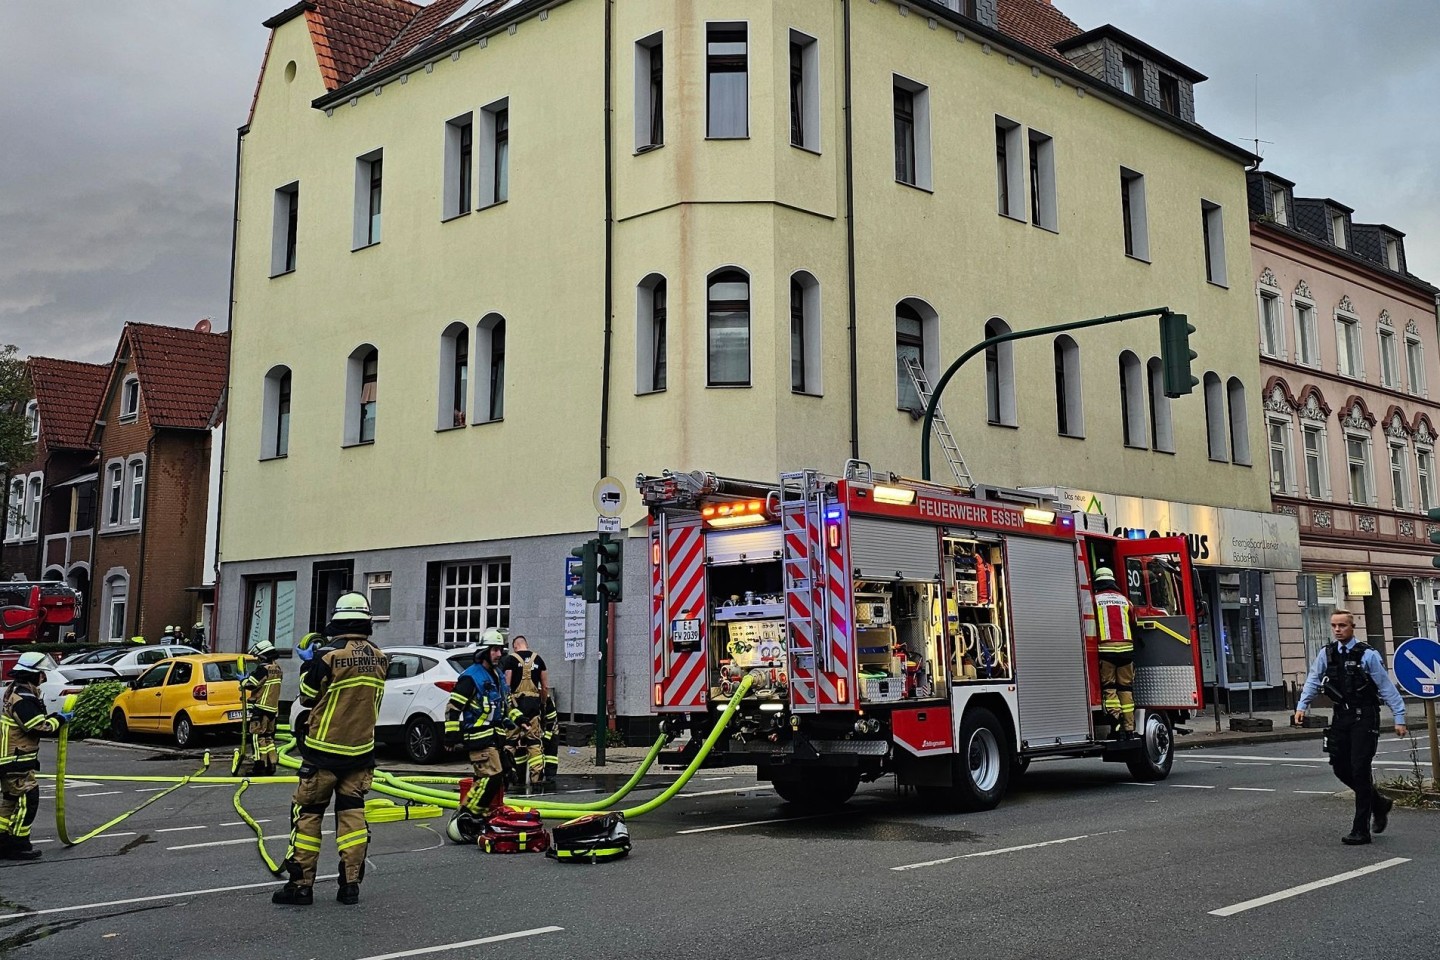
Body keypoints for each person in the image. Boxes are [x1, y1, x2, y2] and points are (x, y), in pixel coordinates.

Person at [273, 593, 387, 906]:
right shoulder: (381, 657)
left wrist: (309, 662)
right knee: (352, 817)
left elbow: (307, 697)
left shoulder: (327, 656)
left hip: (323, 751)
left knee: (308, 816)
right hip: (361, 752)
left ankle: (301, 886)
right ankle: (350, 885)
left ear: (336, 622)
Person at [1295, 610, 1407, 845]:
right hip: (1341, 716)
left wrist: (1399, 717)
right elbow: (1314, 680)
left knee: (1359, 769)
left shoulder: (1367, 655)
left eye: (1342, 625)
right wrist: (1302, 706)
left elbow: (1385, 686)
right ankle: (1379, 803)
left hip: (1365, 716)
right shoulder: (1327, 653)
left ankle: (1361, 830)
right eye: (1334, 625)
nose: (1337, 630)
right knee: (1339, 767)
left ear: (1352, 627)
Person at [446, 628, 523, 839]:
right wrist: (451, 735)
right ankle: (468, 815)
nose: (499, 654)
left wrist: (520, 720)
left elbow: (507, 706)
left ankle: (475, 818)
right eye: (495, 650)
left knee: (493, 778)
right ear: (484, 652)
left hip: (495, 738)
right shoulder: (471, 678)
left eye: (500, 650)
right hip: (479, 737)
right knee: (492, 777)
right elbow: (453, 708)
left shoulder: (498, 676)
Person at [0, 652, 72, 860]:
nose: (44, 678)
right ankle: (18, 844)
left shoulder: (18, 692)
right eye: (42, 674)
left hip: (11, 759)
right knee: (28, 800)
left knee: (11, 801)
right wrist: (59, 720)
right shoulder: (24, 699)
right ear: (33, 675)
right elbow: (38, 727)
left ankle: (3, 840)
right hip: (16, 759)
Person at [1092, 566, 1137, 736]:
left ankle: (1115, 724)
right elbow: (1133, 621)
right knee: (1125, 689)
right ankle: (1129, 728)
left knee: (1109, 687)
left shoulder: (1094, 600)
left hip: (1106, 651)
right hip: (1127, 652)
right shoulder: (1125, 600)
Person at [505, 636, 549, 794]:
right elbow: (545, 687)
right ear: (526, 645)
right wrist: (542, 705)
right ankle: (536, 778)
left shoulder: (510, 660)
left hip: (516, 707)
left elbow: (506, 686)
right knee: (534, 742)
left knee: (510, 741)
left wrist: (507, 707)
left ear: (515, 646)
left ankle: (508, 774)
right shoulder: (539, 659)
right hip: (533, 707)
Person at [239, 639, 283, 777]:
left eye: (258, 657)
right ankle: (272, 764)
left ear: (263, 655)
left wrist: (243, 680)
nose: (257, 659)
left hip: (261, 708)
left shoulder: (262, 669)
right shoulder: (278, 668)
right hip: (272, 709)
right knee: (269, 737)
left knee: (257, 738)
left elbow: (250, 684)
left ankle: (259, 766)